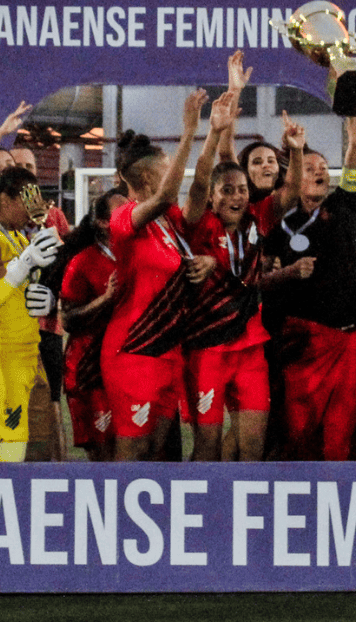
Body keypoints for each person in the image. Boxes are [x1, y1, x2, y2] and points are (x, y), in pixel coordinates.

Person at [101, 90, 216, 461]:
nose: (176, 176)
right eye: (168, 170)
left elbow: (198, 192)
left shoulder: (169, 225)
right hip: (134, 350)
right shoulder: (124, 219)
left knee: (158, 453)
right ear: (149, 179)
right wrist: (187, 133)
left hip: (168, 351)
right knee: (132, 450)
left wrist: (213, 134)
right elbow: (168, 195)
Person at [259, 112, 356, 461]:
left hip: (346, 343)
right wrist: (287, 272)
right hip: (302, 348)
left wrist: (352, 107)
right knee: (298, 439)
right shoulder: (275, 224)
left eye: (323, 166)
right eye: (310, 168)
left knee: (341, 440)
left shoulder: (344, 205)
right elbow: (258, 282)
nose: (320, 171)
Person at [182, 92, 271, 461]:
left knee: (252, 446)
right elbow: (206, 175)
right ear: (212, 198)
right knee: (207, 446)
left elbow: (230, 164)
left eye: (241, 190)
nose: (236, 195)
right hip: (207, 348)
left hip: (251, 348)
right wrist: (212, 132)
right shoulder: (199, 225)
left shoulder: (255, 220)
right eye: (226, 190)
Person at [0, 166, 61, 462]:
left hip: (31, 354)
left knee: (40, 449)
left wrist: (45, 301)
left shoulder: (18, 239)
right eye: (28, 198)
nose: (35, 207)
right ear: (5, 199)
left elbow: (19, 293)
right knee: (10, 452)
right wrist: (19, 272)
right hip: (2, 358)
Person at [57, 189, 128, 461]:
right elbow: (68, 320)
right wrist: (105, 300)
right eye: (121, 213)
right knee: (104, 457)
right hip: (89, 369)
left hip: (127, 366)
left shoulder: (137, 252)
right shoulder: (82, 261)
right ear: (101, 222)